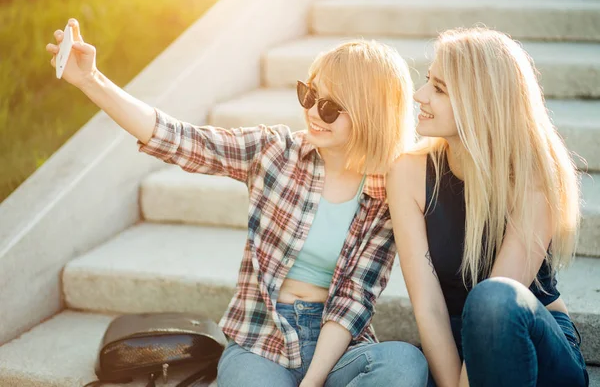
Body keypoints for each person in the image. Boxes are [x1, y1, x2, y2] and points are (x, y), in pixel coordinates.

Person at [47, 19, 429, 386]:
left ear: (368, 115)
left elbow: (353, 301)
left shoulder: (385, 189)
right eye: (309, 94)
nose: (312, 112)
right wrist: (90, 80)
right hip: (261, 340)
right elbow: (179, 139)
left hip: (338, 346)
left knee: (404, 364)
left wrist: (312, 381)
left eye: (329, 107)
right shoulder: (274, 151)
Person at [387, 27, 589, 387]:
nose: (419, 95)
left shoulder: (534, 178)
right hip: (454, 347)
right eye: (427, 81)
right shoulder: (408, 172)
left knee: (492, 300)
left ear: (479, 101)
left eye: (438, 88)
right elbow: (429, 307)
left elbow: (498, 299)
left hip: (530, 344)